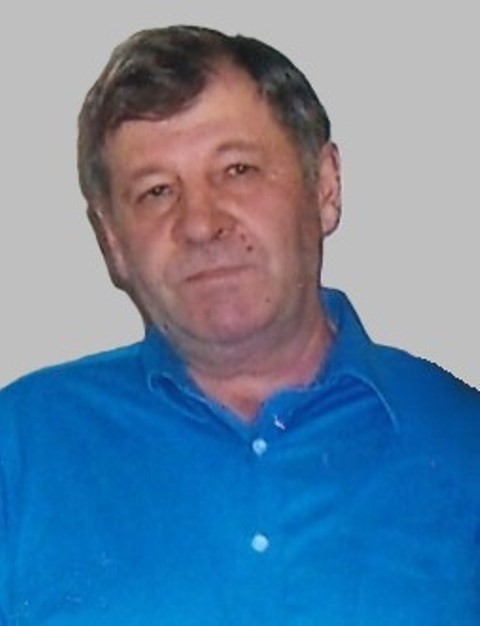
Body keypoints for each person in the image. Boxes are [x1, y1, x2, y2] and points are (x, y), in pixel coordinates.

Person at [1, 25, 479, 626]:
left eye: (238, 170)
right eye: (156, 191)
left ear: (325, 187)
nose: (200, 224)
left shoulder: (464, 439)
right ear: (112, 241)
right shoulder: (19, 449)